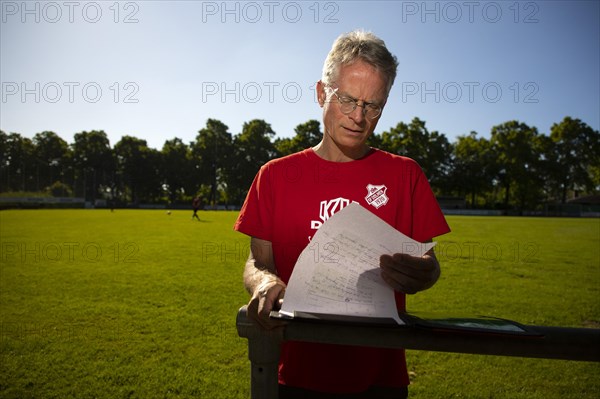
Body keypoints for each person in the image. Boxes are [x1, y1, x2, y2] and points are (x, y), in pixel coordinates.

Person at [234, 30, 451, 399]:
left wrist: (423, 273)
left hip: (381, 377)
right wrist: (263, 282)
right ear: (321, 93)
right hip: (296, 371)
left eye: (374, 105)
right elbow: (257, 261)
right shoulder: (275, 175)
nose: (359, 117)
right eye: (347, 100)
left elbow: (429, 264)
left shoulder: (405, 174)